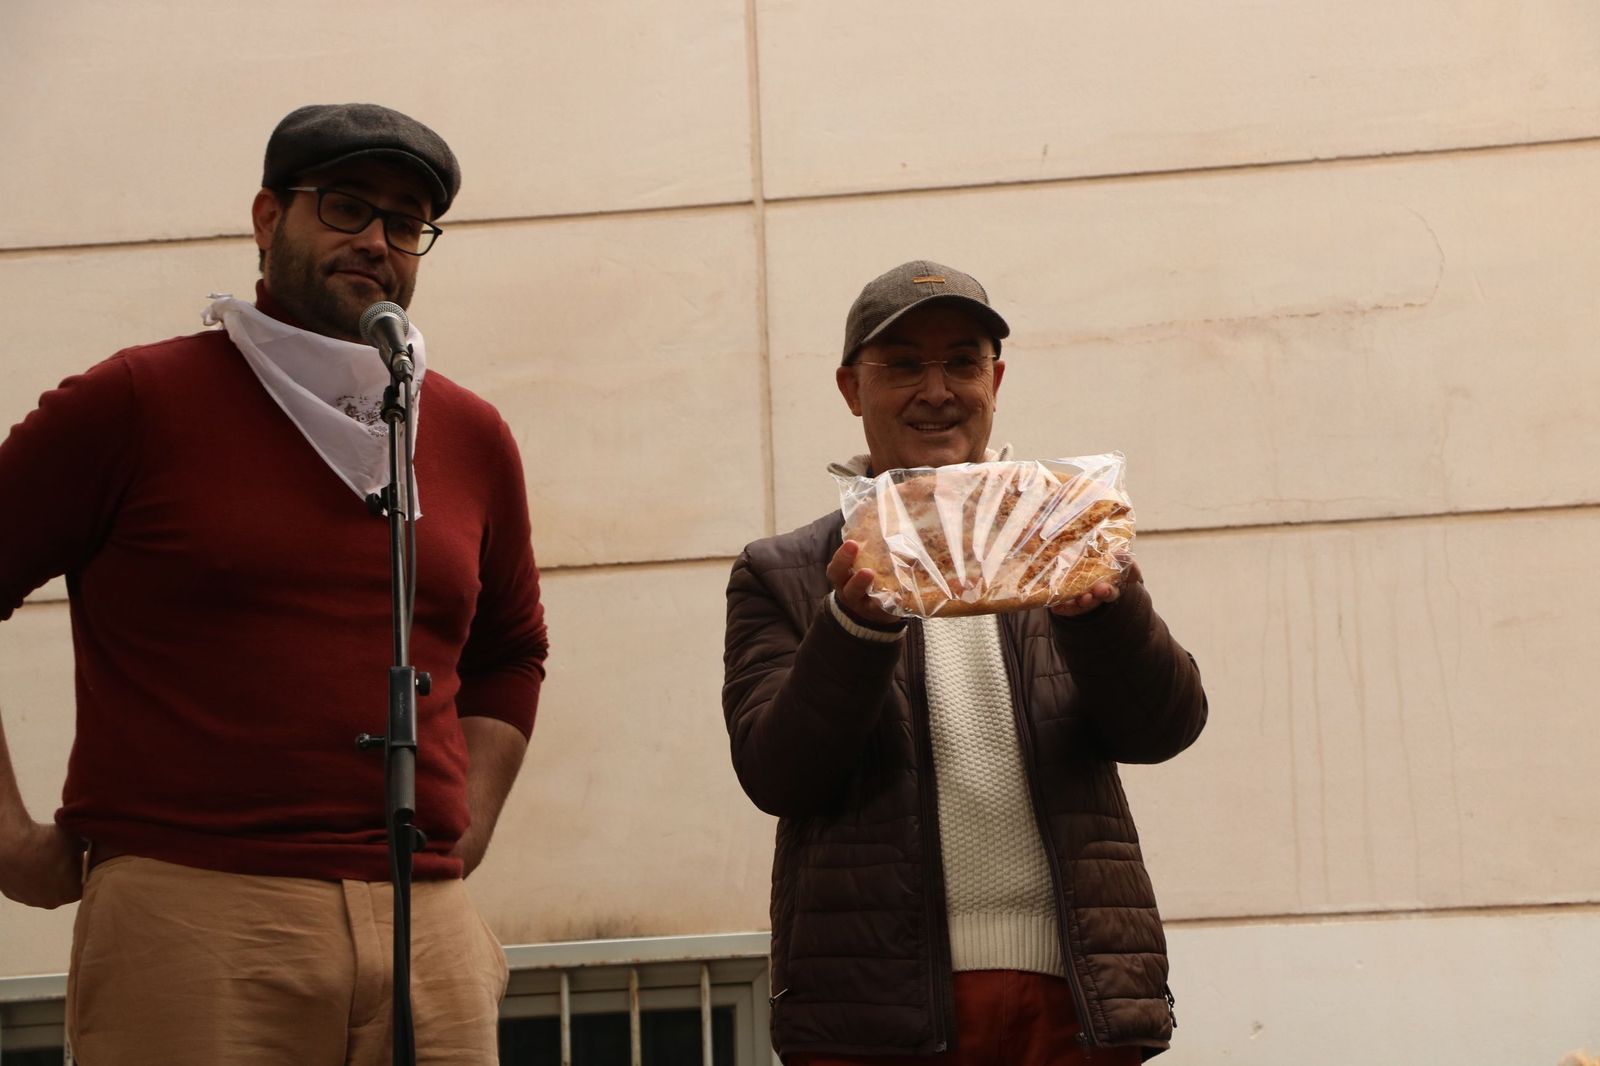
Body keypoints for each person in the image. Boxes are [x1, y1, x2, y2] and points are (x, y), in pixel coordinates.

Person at [0, 103, 548, 1063]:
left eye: (406, 222)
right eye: (346, 206)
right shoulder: (137, 401)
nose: (375, 240)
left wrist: (466, 829)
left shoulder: (467, 432)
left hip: (427, 928)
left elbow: (511, 652)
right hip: (194, 920)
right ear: (267, 217)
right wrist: (7, 840)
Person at [723, 261, 1207, 1063]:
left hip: (1073, 994)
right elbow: (777, 776)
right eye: (903, 365)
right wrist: (850, 628)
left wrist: (1107, 616)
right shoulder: (786, 572)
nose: (937, 390)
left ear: (996, 380)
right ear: (851, 389)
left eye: (962, 362)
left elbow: (1164, 728)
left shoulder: (1062, 537)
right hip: (876, 1013)